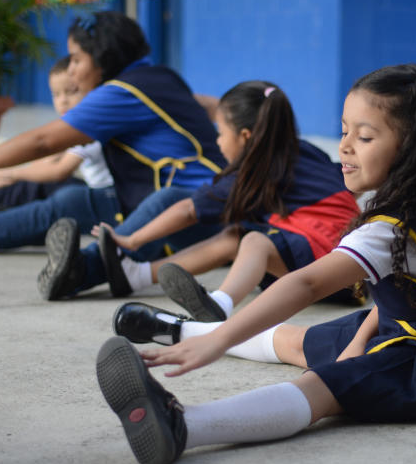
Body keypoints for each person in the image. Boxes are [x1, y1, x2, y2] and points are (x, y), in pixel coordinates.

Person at [95, 64, 416, 464]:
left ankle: (183, 424)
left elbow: (305, 284)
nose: (343, 146)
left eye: (364, 137)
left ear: (413, 148)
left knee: (323, 386)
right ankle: (177, 331)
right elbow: (413, 290)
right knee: (297, 343)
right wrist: (359, 340)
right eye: (344, 131)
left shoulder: (392, 227)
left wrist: (221, 340)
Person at [0, 11, 226, 292]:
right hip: (152, 202)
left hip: (204, 218)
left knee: (167, 201)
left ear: (102, 58)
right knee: (74, 199)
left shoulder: (122, 93)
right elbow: (211, 105)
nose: (72, 72)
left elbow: (43, 142)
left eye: (76, 60)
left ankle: (82, 270)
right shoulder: (158, 77)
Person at [91, 80, 360, 323]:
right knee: (236, 235)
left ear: (244, 136)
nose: (217, 141)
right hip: (351, 266)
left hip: (329, 267)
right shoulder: (303, 151)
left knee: (254, 242)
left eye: (220, 132)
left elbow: (188, 211)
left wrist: (133, 240)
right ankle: (135, 275)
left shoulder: (255, 172)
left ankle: (220, 303)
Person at [0, 56, 111, 215]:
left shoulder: (90, 127)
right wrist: (7, 174)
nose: (63, 100)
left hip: (105, 199)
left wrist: (13, 174)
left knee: (49, 183)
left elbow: (59, 170)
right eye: (56, 94)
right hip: (95, 193)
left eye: (71, 91)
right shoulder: (74, 128)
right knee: (34, 176)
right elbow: (49, 159)